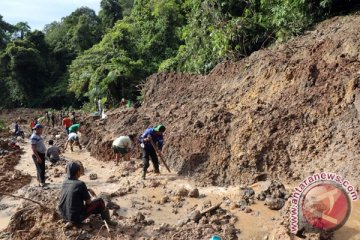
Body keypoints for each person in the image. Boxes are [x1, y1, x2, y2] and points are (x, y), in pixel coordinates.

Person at [58, 161, 117, 228]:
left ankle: (71, 221)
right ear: (77, 172)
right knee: (100, 201)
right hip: (76, 217)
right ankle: (107, 220)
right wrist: (93, 195)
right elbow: (89, 202)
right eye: (80, 171)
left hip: (63, 215)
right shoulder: (80, 184)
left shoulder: (64, 182)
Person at [30, 124, 48, 189]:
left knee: (40, 168)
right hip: (38, 154)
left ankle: (40, 181)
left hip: (41, 154)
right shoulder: (34, 137)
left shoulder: (38, 136)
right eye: (41, 129)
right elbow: (33, 148)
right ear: (37, 129)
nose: (42, 130)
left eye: (42, 129)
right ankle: (42, 183)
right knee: (41, 169)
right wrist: (37, 157)